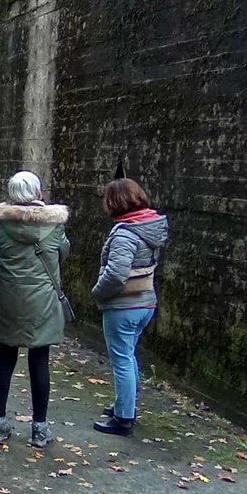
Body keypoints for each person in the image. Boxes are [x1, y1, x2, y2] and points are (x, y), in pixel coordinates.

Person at [0, 171, 69, 448]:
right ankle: (39, 428)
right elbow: (63, 253)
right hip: (43, 299)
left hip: (9, 297)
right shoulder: (55, 225)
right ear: (37, 193)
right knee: (39, 361)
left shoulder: (0, 223)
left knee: (5, 358)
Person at [91, 178, 169, 437]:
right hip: (145, 301)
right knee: (129, 355)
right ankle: (125, 406)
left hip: (123, 306)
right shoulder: (151, 226)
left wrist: (97, 292)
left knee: (122, 360)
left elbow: (116, 274)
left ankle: (123, 419)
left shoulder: (126, 232)